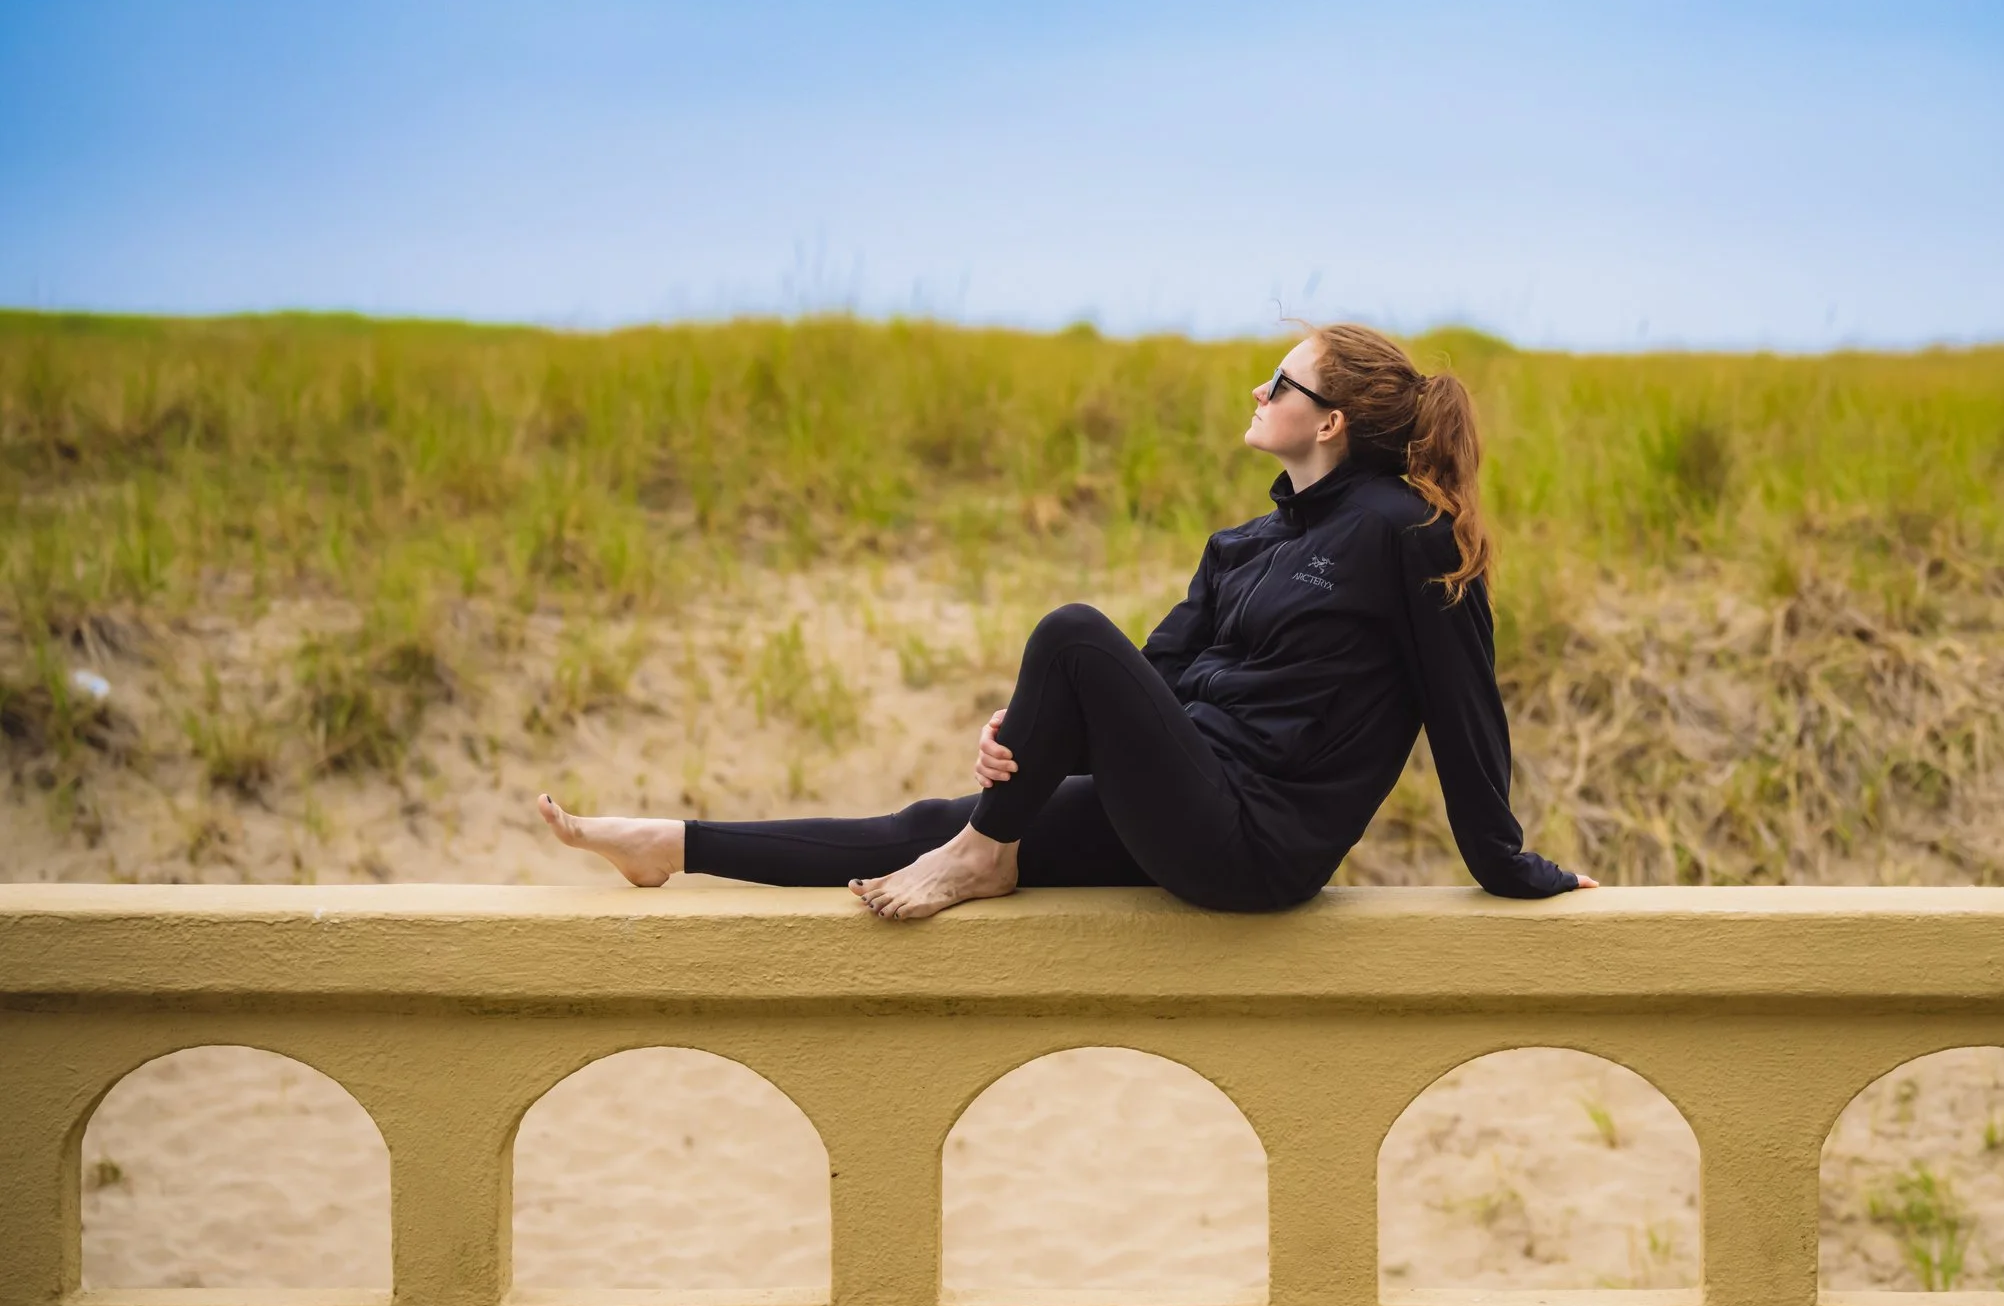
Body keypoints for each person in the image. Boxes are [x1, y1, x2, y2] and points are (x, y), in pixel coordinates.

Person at [536, 321, 1598, 918]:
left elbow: (1465, 715)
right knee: (933, 818)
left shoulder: (1405, 533)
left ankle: (981, 857)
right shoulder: (1246, 541)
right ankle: (666, 844)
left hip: (1256, 844)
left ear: (1325, 421)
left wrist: (1510, 864)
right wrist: (1026, 736)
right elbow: (1150, 681)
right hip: (1183, 797)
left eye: (1279, 380)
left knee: (1070, 630)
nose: (1256, 387)